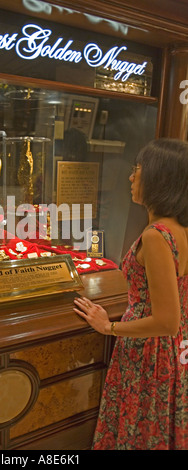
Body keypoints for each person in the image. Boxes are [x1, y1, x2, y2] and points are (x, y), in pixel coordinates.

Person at [74, 138, 188, 450]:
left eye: (137, 170)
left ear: (158, 178)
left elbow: (166, 320)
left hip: (148, 351)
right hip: (172, 351)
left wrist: (107, 326)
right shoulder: (181, 230)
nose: (131, 177)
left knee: (140, 431)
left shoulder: (157, 236)